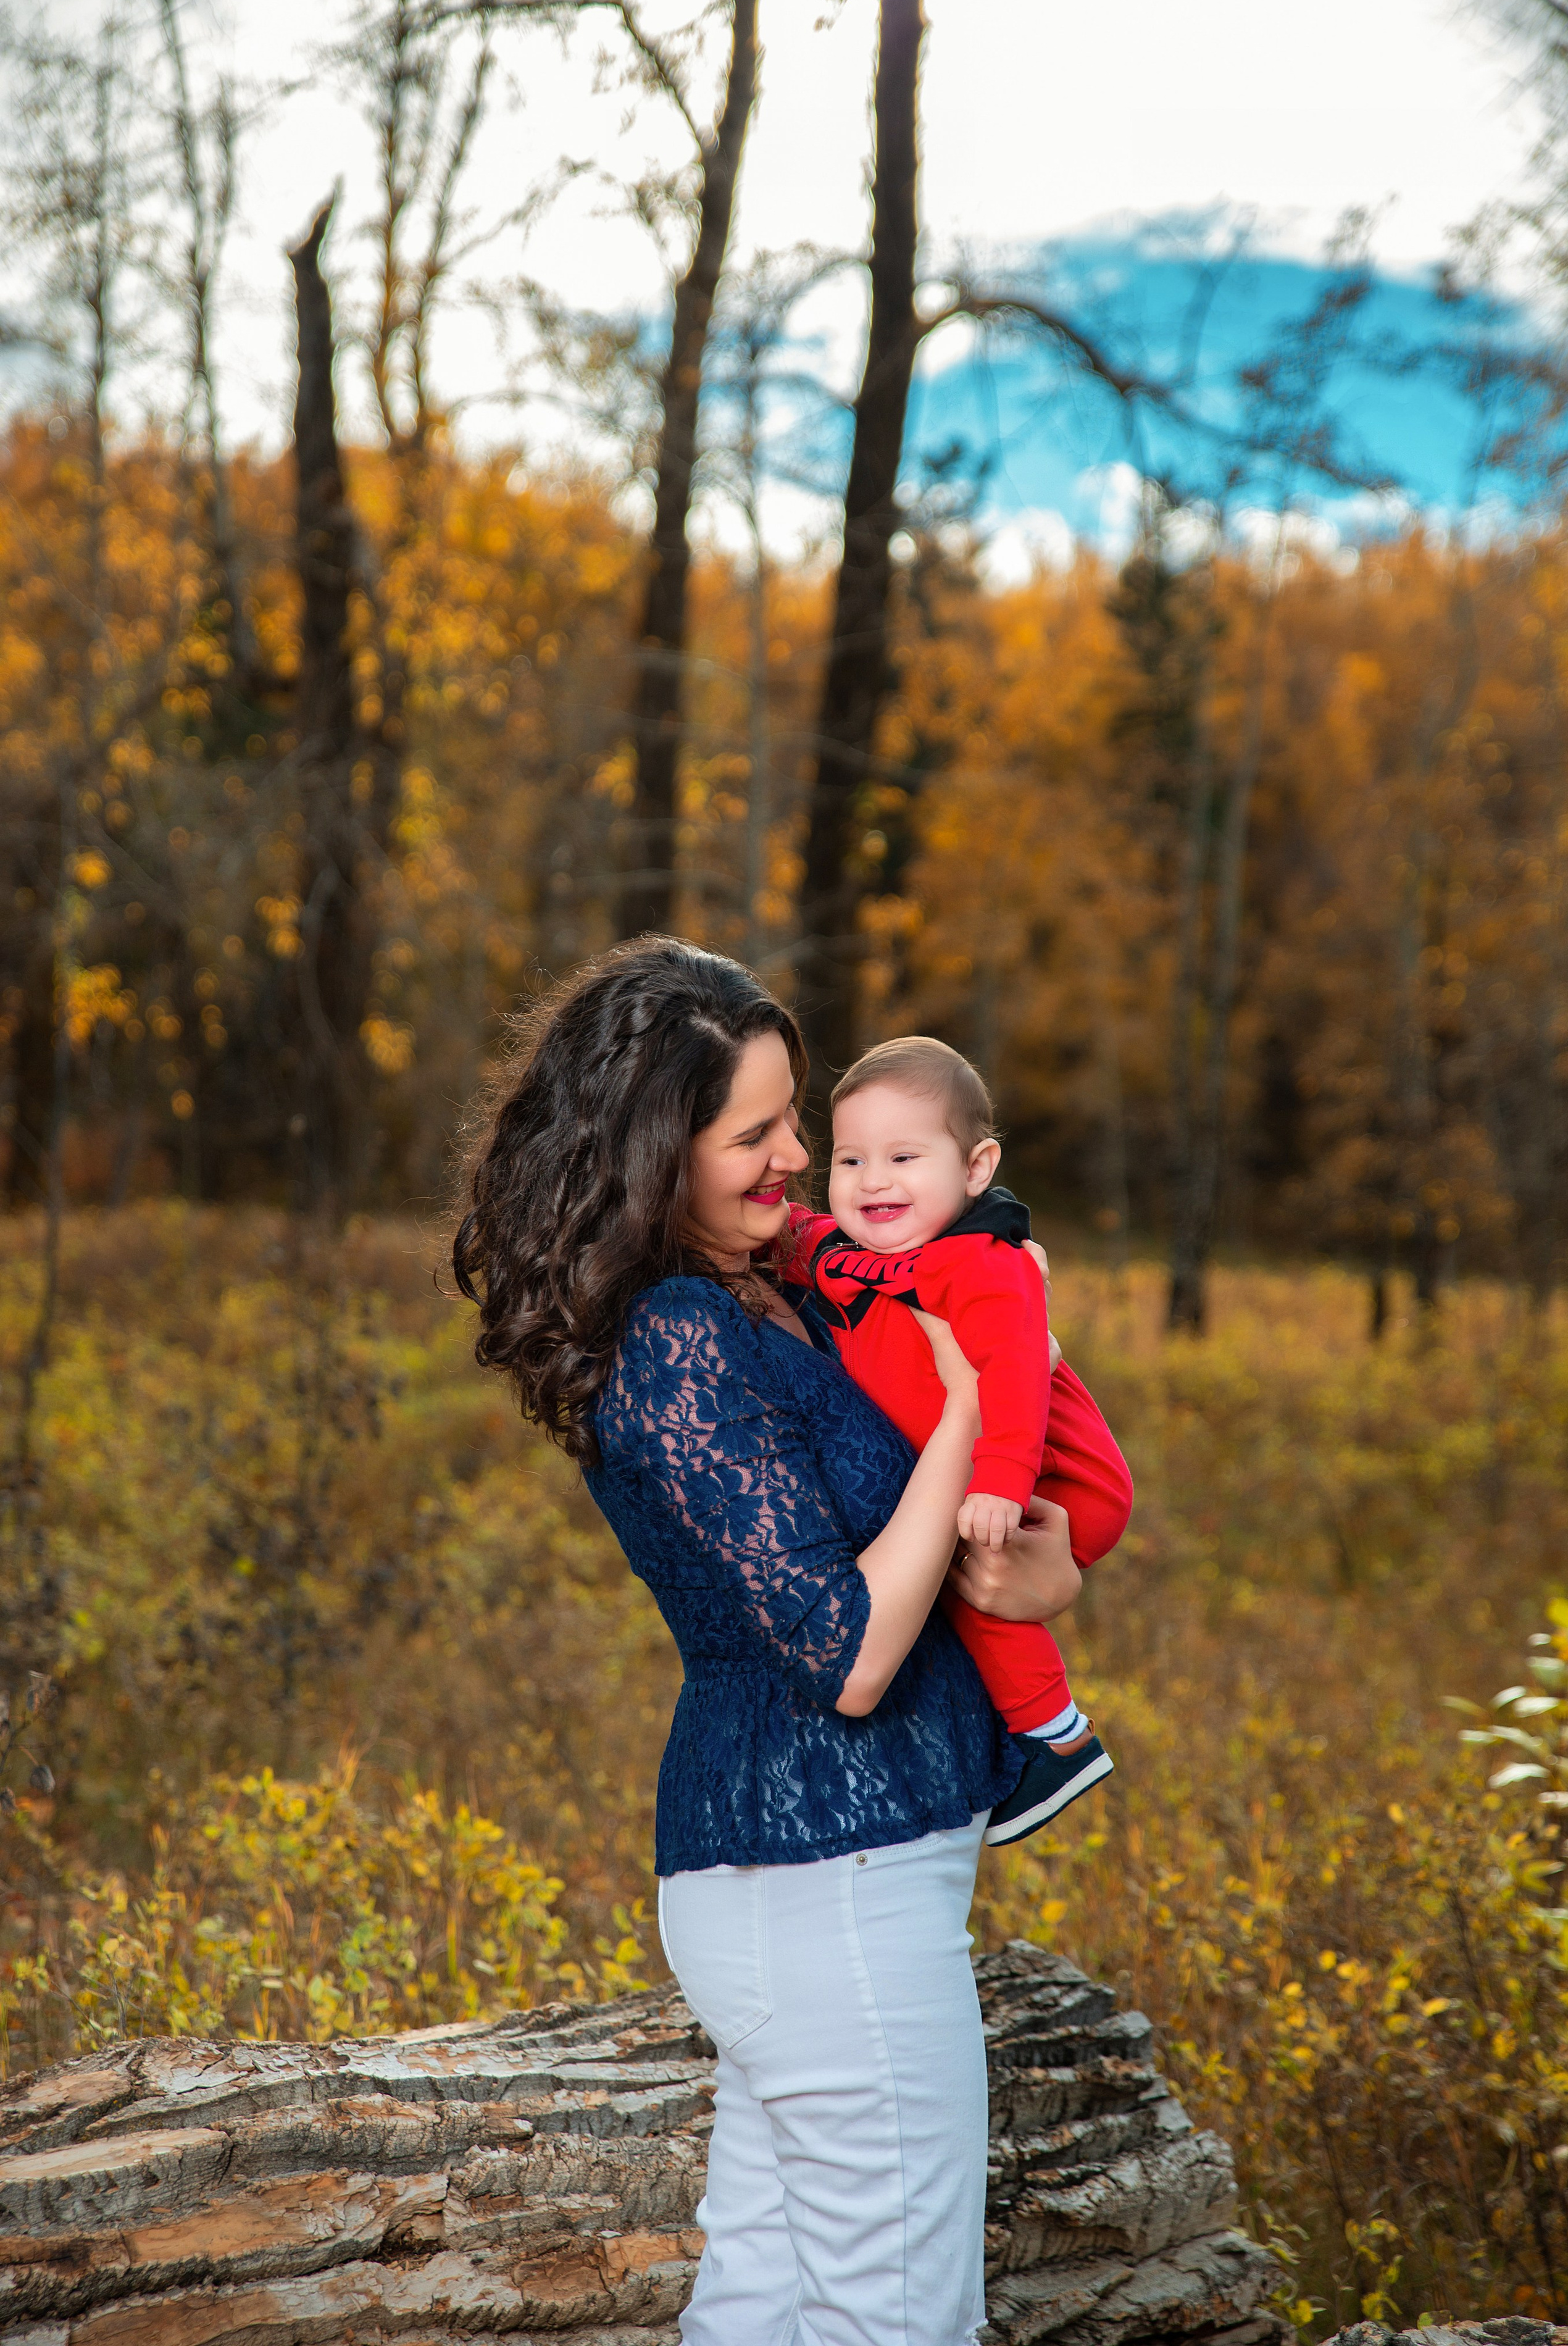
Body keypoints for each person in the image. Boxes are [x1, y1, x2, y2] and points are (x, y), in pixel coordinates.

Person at [453, 937, 1083, 2346]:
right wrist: (975, 1406)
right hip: (825, 1889)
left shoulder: (772, 1291)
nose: (798, 1156)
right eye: (756, 1134)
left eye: (793, 1118)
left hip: (819, 1882)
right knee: (897, 2321)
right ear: (653, 1156)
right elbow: (845, 1651)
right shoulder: (674, 1337)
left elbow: (927, 1559)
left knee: (764, 2303)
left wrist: (1037, 1575)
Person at [780, 1035, 1133, 1847]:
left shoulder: (984, 1262)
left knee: (965, 1583)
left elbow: (1014, 1371)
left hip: (1054, 1476)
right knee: (936, 1573)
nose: (874, 1181)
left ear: (976, 1169)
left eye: (904, 1157)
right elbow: (795, 1236)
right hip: (980, 1465)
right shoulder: (854, 1256)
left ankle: (1055, 1738)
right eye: (851, 1161)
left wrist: (1001, 1482)